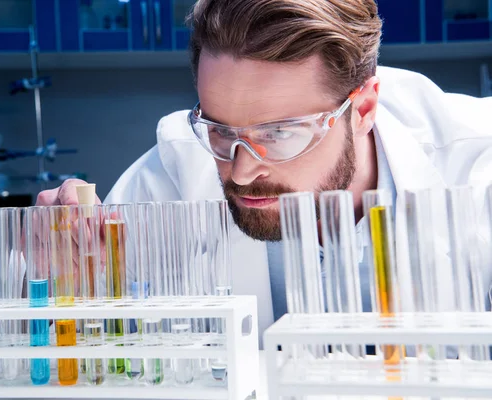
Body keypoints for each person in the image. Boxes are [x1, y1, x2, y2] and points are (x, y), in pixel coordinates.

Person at [36, 0, 492, 340]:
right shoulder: (174, 172)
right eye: (220, 130)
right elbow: (74, 334)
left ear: (364, 107)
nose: (241, 170)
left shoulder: (476, 167)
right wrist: (57, 280)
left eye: (277, 133)